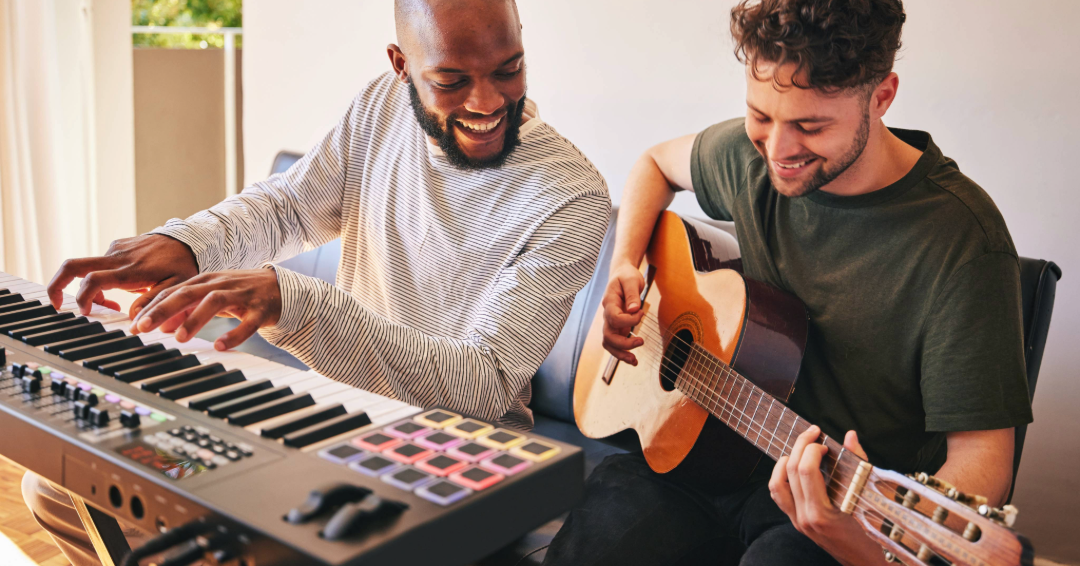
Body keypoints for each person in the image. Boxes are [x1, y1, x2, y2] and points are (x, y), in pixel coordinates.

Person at [23, 1, 610, 564]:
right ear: (401, 66)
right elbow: (290, 208)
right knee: (56, 492)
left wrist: (291, 301)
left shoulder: (570, 195)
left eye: (508, 70)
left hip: (456, 463)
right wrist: (188, 244)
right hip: (333, 421)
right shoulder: (384, 107)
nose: (487, 101)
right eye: (451, 80)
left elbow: (479, 385)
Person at [544, 1, 1032, 565]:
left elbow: (984, 465)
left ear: (882, 96)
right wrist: (625, 264)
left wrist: (862, 544)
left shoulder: (962, 241)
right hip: (698, 455)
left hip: (838, 504)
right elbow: (654, 165)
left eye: (810, 125)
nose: (777, 152)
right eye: (760, 117)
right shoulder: (749, 159)